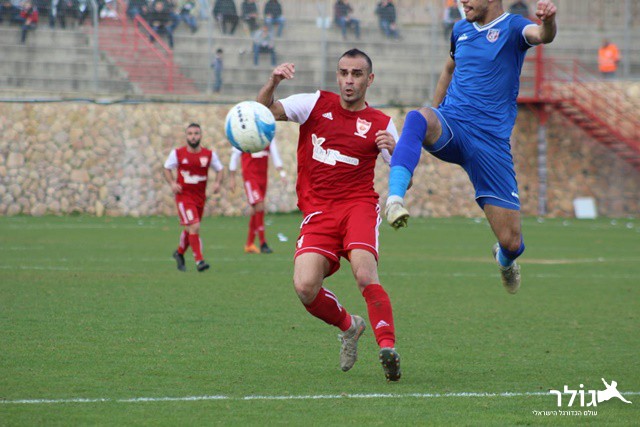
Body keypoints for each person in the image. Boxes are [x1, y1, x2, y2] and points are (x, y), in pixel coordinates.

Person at [386, 0, 558, 294]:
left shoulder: (513, 27)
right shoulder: (460, 30)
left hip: (490, 145)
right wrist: (434, 114)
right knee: (417, 117)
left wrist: (549, 22)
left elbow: (543, 35)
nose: (462, 1)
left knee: (512, 242)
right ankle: (394, 200)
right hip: (454, 125)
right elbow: (449, 68)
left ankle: (504, 260)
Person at [256, 49, 402, 381]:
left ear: (369, 79)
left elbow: (402, 172)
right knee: (305, 286)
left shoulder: (381, 123)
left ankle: (387, 347)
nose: (349, 80)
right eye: (344, 73)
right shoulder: (314, 104)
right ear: (337, 76)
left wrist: (396, 151)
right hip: (319, 211)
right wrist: (273, 82)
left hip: (358, 207)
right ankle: (349, 327)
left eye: (357, 74)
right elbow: (262, 112)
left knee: (365, 274)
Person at [163, 123, 224, 272]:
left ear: (200, 135)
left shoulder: (208, 155)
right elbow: (167, 168)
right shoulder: (178, 153)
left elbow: (220, 169)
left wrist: (217, 183)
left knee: (190, 228)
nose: (193, 136)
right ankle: (199, 261)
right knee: (195, 226)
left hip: (200, 197)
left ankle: (179, 253)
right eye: (190, 134)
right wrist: (172, 183)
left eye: (196, 133)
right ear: (186, 136)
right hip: (184, 197)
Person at [229, 138, 286, 254]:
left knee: (256, 210)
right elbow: (235, 155)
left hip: (262, 179)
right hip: (250, 178)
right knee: (260, 206)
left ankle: (249, 244)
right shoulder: (243, 136)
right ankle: (263, 243)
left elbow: (275, 154)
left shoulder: (267, 135)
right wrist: (232, 178)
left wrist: (282, 173)